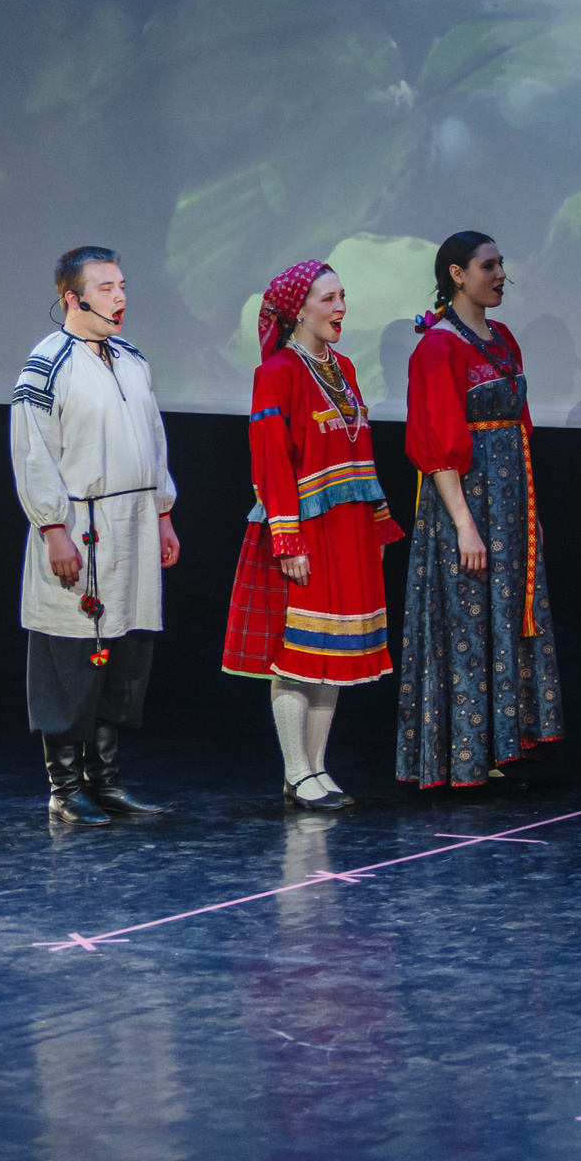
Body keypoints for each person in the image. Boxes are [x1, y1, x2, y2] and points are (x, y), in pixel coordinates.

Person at [222, 260, 403, 808]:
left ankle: (317, 769)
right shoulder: (277, 373)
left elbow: (358, 450)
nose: (340, 308)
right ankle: (295, 770)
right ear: (298, 309)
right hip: (303, 527)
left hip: (346, 528)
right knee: (297, 654)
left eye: (343, 296)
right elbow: (271, 462)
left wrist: (374, 523)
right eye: (328, 299)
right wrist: (288, 538)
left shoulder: (344, 367)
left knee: (333, 651)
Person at [10, 245, 181, 824]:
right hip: (79, 528)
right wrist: (52, 528)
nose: (121, 297)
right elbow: (34, 454)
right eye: (107, 288)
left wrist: (162, 512)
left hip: (131, 524)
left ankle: (105, 780)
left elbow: (154, 438)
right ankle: (64, 789)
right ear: (72, 298)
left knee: (124, 653)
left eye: (122, 286)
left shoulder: (131, 358)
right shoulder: (47, 363)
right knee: (71, 655)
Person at [395, 231, 562, 790]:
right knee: (467, 615)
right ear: (456, 274)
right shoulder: (438, 347)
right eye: (487, 266)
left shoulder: (503, 337)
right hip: (465, 502)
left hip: (510, 500)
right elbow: (437, 445)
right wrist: (465, 525)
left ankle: (500, 742)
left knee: (502, 614)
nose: (499, 275)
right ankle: (462, 755)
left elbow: (520, 424)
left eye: (501, 265)